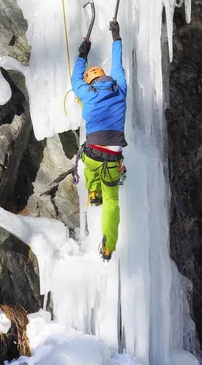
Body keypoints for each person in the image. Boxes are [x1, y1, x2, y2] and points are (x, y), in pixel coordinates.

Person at [71, 20, 127, 261]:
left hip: (92, 155)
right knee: (112, 200)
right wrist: (116, 38)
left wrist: (83, 52)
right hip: (112, 160)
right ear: (104, 78)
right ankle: (108, 245)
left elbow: (75, 79)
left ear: (90, 81)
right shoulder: (120, 87)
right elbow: (118, 65)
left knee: (88, 157)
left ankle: (93, 192)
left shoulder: (85, 92)